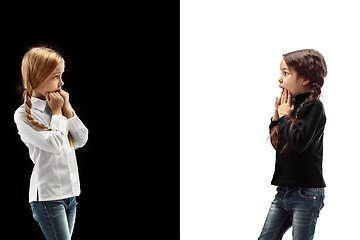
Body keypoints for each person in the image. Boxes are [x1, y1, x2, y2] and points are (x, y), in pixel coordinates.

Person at [14, 46, 88, 240]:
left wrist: (67, 109)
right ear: (38, 76)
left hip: (71, 194)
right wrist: (57, 113)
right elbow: (54, 145)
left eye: (62, 75)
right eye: (56, 76)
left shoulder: (57, 105)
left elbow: (81, 139)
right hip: (48, 198)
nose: (62, 82)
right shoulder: (23, 114)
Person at [258, 49, 327, 240]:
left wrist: (285, 116)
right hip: (283, 193)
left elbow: (298, 143)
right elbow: (279, 144)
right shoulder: (290, 105)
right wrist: (277, 116)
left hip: (306, 194)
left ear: (305, 79)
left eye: (285, 73)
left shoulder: (314, 108)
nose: (280, 80)